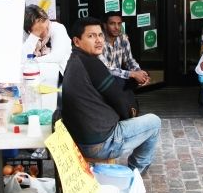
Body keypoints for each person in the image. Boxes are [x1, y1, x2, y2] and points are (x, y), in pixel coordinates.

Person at [61, 17, 160, 173]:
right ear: (77, 41)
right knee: (154, 122)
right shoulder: (91, 63)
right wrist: (130, 114)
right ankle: (136, 169)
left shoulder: (75, 60)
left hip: (80, 138)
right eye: (91, 36)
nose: (98, 40)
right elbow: (118, 99)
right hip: (99, 144)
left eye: (100, 35)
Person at [21, 5, 72, 86]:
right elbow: (21, 58)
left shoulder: (58, 28)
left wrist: (32, 61)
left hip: (61, 78)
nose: (45, 31)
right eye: (39, 30)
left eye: (46, 26)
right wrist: (34, 36)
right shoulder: (26, 34)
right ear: (29, 31)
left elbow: (57, 56)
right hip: (33, 80)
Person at [100, 13, 151, 88]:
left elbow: (129, 60)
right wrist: (133, 74)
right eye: (112, 24)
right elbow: (107, 70)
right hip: (104, 81)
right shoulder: (99, 42)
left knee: (144, 74)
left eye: (119, 24)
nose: (117, 27)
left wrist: (139, 73)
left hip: (119, 78)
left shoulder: (122, 38)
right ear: (105, 25)